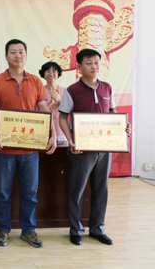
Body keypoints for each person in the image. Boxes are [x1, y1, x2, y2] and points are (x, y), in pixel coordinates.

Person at [0, 39, 57, 248]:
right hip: (3, 148)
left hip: (29, 149)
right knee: (3, 193)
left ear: (26, 56)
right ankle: (3, 230)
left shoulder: (35, 81)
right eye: (13, 52)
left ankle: (28, 230)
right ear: (6, 56)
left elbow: (44, 110)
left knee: (30, 193)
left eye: (21, 52)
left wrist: (52, 134)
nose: (17, 56)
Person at [58, 48, 131, 246]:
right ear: (79, 67)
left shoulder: (107, 87)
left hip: (104, 148)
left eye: (97, 62)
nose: (94, 66)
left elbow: (113, 112)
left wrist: (123, 126)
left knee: (101, 188)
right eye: (89, 63)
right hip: (81, 149)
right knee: (77, 189)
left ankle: (97, 229)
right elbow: (62, 117)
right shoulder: (72, 90)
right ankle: (76, 230)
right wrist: (71, 139)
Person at [39, 61, 68, 146]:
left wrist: (59, 100)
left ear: (58, 74)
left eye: (54, 71)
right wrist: (49, 103)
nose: (51, 74)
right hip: (44, 132)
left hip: (62, 132)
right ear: (43, 74)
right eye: (48, 72)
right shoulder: (39, 91)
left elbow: (70, 110)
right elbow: (36, 111)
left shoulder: (65, 91)